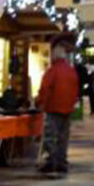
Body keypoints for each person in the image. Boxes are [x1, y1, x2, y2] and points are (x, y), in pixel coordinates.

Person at [36, 43, 79, 173]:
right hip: (67, 108)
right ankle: (62, 161)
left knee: (50, 136)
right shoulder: (71, 71)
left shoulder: (52, 71)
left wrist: (39, 102)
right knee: (63, 137)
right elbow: (76, 90)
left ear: (54, 57)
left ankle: (52, 161)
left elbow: (45, 88)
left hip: (53, 107)